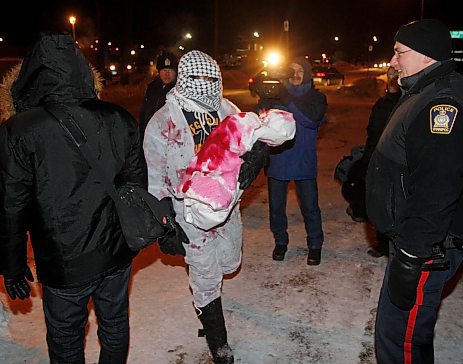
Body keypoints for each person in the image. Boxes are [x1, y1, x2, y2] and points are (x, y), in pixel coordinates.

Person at [0, 32, 143, 363]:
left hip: (64, 259)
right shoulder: (118, 117)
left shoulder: (18, 130)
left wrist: (12, 264)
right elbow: (135, 184)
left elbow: (11, 205)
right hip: (115, 252)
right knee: (115, 324)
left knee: (65, 337)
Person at [365, 19, 463, 363]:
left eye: (398, 52)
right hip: (417, 241)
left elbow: (437, 191)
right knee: (403, 331)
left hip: (426, 247)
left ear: (425, 56)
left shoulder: (442, 105)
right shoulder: (425, 91)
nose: (392, 61)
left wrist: (410, 255)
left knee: (401, 339)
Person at [143, 50, 267, 364]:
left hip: (225, 205)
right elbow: (154, 174)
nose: (203, 85)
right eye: (196, 78)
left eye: (210, 79)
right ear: (184, 78)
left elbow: (249, 143)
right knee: (206, 272)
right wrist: (164, 219)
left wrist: (255, 157)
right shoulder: (163, 121)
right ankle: (217, 339)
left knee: (229, 262)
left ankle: (208, 304)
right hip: (186, 210)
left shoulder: (227, 109)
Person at [259, 57, 327, 265]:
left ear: (307, 74)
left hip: (303, 162)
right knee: (276, 208)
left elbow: (310, 120)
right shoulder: (276, 95)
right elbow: (260, 119)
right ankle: (280, 241)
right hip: (278, 161)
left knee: (310, 207)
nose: (296, 75)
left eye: (300, 71)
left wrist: (286, 98)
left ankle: (315, 245)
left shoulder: (316, 98)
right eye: (292, 71)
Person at [344, 66, 401, 224]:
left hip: (382, 158)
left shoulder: (388, 104)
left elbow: (374, 131)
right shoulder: (405, 102)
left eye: (393, 76)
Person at [139, 51, 178, 139]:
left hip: (170, 138)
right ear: (159, 72)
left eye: (170, 70)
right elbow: (144, 112)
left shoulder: (179, 90)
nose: (166, 74)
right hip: (150, 136)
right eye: (164, 70)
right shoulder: (152, 87)